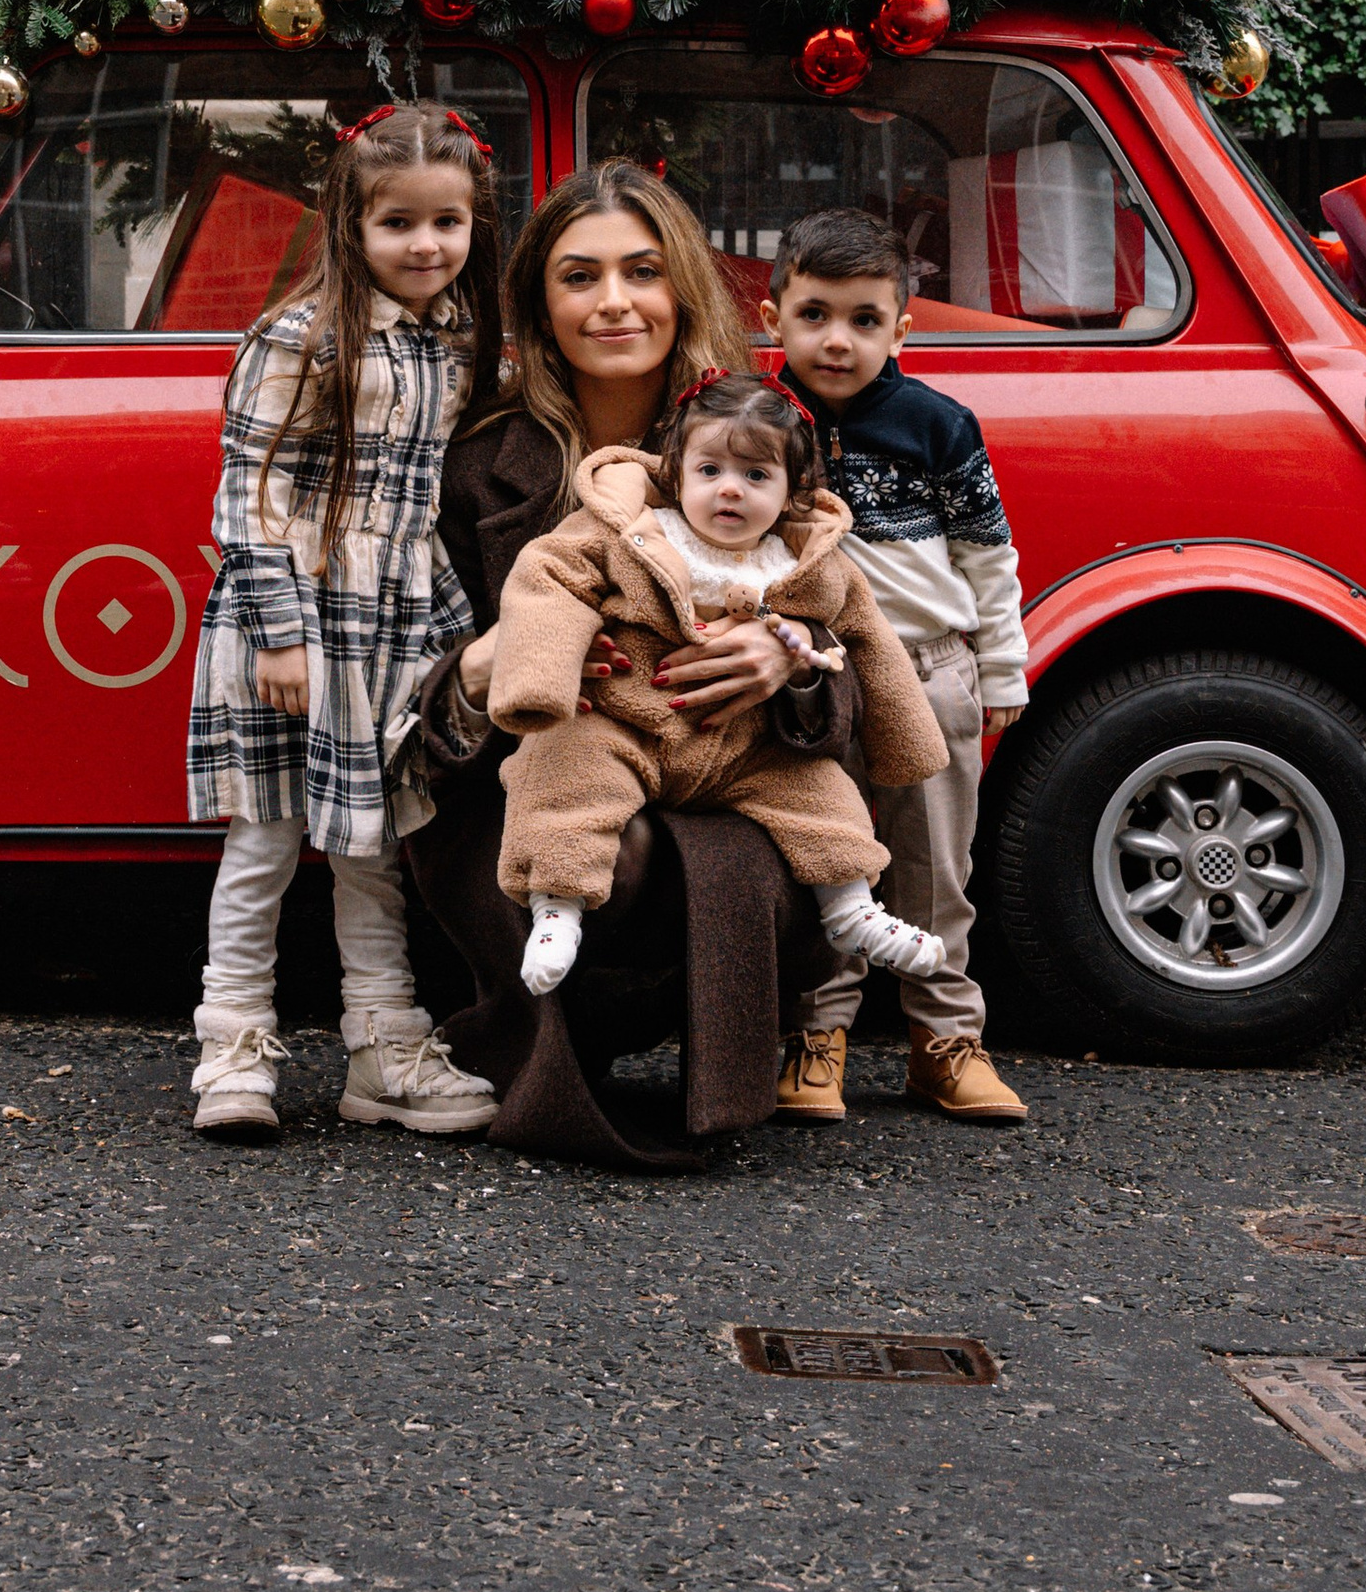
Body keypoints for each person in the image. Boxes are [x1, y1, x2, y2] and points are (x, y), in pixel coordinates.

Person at [406, 163, 860, 1168]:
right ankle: (562, 1036)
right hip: (527, 783)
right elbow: (419, 705)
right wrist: (492, 665)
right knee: (618, 853)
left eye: (641, 271)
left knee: (733, 854)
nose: (613, 301)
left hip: (728, 777)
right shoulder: (481, 462)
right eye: (579, 277)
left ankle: (722, 1049)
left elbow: (852, 665)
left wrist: (783, 660)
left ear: (680, 288)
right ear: (539, 303)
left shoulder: (752, 436)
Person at [184, 102, 507, 1145]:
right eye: (398, 223)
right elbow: (251, 496)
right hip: (299, 629)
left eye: (446, 222)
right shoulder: (301, 336)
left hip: (391, 628)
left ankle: (381, 1045)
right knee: (266, 841)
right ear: (350, 226)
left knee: (376, 849)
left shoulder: (458, 336)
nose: (425, 245)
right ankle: (230, 1048)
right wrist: (281, 633)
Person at [488, 372, 950, 996]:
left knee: (823, 796)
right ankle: (556, 904)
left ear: (792, 494)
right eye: (710, 471)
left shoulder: (806, 563)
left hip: (741, 745)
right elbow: (549, 578)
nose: (730, 489)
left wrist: (903, 742)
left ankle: (851, 909)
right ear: (677, 474)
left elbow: (869, 640)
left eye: (757, 476)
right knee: (565, 767)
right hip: (629, 720)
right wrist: (540, 681)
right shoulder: (632, 530)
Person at [763, 209, 1033, 1128]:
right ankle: (816, 1037)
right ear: (777, 315)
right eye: (814, 315)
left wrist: (1003, 670)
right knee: (825, 861)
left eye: (864, 319)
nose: (836, 339)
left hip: (931, 670)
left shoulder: (938, 424)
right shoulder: (760, 418)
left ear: (901, 328)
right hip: (815, 678)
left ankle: (945, 1043)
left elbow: (987, 555)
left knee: (932, 872)